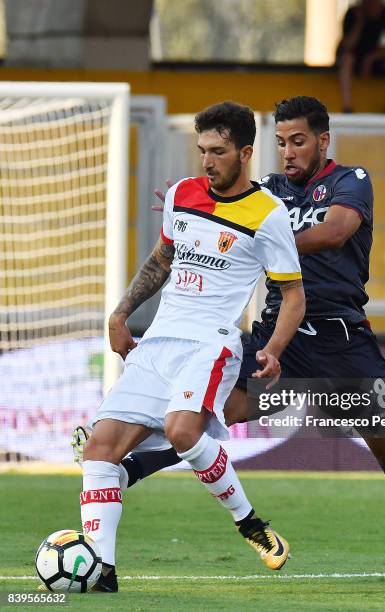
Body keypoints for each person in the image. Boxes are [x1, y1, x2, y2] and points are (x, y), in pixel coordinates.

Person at [74, 96, 385, 590]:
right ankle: (128, 465)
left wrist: (249, 230)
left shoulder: (351, 182)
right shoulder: (267, 190)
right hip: (276, 334)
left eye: (299, 142)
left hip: (342, 340)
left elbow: (334, 231)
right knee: (207, 415)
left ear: (323, 141)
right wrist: (197, 218)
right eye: (282, 142)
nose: (287, 152)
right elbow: (225, 207)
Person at [78, 101, 305, 592]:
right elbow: (162, 261)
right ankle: (102, 571)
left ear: (244, 153)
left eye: (218, 151)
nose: (207, 160)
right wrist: (120, 313)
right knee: (99, 452)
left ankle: (250, 524)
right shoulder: (182, 194)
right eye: (202, 150)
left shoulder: (269, 214)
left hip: (212, 342)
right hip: (158, 342)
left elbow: (293, 294)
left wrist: (275, 348)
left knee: (183, 431)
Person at [336, 0, 385, 113]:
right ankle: (347, 107)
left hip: (373, 57)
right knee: (347, 58)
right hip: (353, 58)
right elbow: (347, 45)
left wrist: (370, 59)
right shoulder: (353, 13)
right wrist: (359, 22)